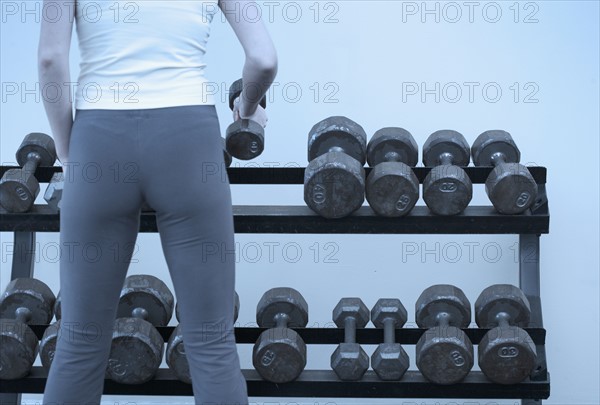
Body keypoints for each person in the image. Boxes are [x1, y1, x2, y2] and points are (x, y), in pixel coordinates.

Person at [38, 0, 277, 403]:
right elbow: (263, 59)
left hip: (99, 142)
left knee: (79, 341)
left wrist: (68, 153)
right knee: (211, 343)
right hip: (188, 141)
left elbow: (49, 61)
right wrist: (247, 107)